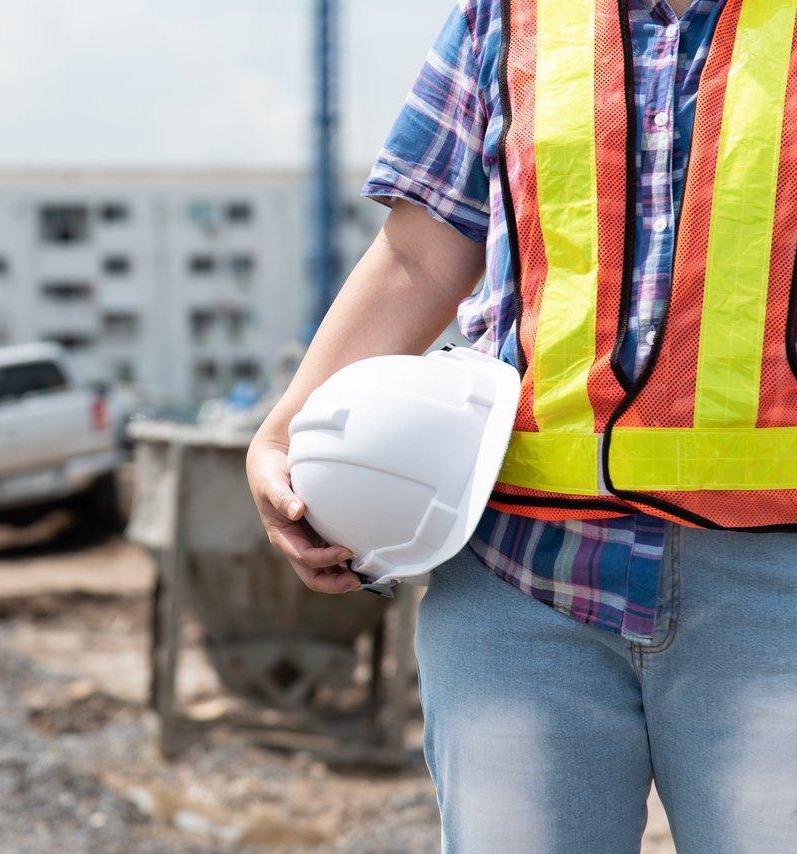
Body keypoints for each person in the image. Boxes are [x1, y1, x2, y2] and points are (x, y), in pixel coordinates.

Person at [246, 0, 797, 850]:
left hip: (777, 590)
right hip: (523, 584)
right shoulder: (505, 16)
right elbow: (421, 254)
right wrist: (288, 428)